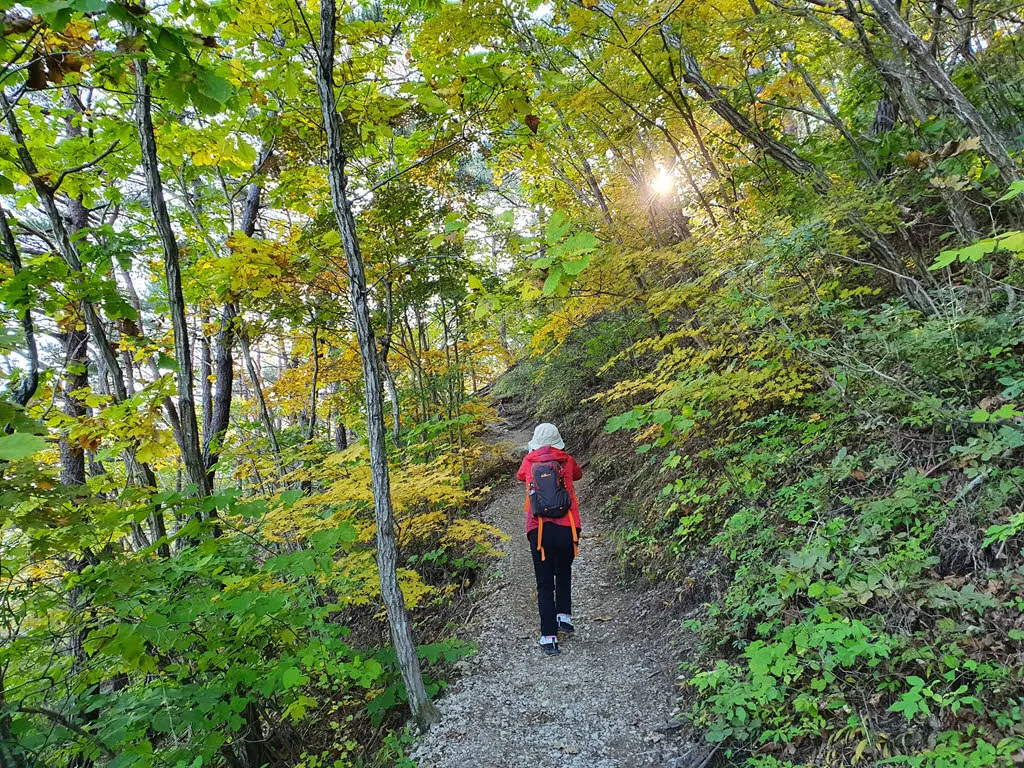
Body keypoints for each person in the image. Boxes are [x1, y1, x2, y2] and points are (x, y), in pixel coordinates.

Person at [516, 423, 583, 656]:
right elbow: (578, 475)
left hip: (539, 529)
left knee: (544, 583)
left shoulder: (529, 462)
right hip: (568, 528)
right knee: (563, 570)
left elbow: (519, 476)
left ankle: (549, 637)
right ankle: (564, 616)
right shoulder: (567, 460)